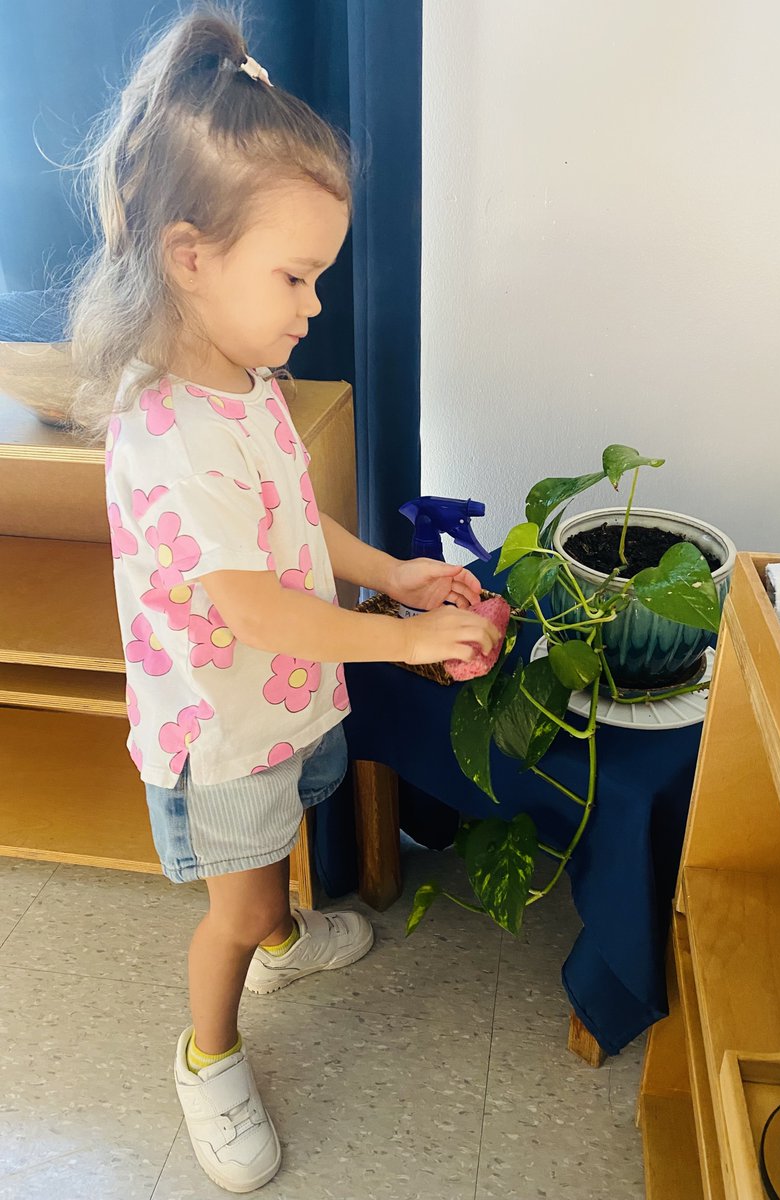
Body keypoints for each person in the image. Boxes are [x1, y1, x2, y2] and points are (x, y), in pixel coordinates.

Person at [67, 6, 501, 1193]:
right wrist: (407, 639)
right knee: (235, 899)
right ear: (190, 254)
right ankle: (209, 1052)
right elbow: (255, 609)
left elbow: (294, 536)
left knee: (280, 860)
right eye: (297, 275)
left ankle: (284, 939)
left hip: (288, 701)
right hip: (227, 730)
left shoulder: (251, 379)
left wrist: (395, 572)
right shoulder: (169, 435)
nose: (314, 303)